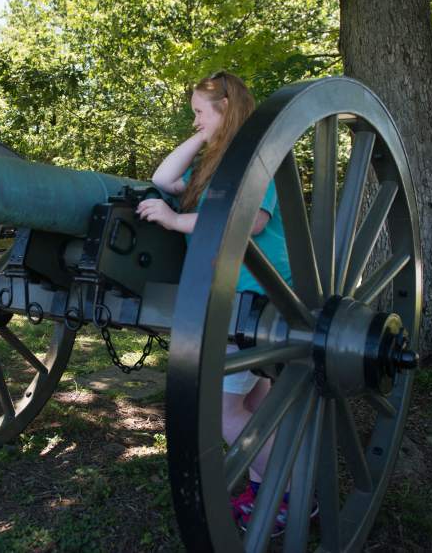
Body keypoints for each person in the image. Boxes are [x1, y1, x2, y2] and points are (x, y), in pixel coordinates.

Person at [136, 72, 304, 535]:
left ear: (227, 107)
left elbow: (248, 222)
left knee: (222, 411)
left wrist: (173, 221)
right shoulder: (214, 166)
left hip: (250, 296)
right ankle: (261, 490)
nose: (194, 120)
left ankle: (288, 494)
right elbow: (162, 178)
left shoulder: (257, 160)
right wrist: (203, 136)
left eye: (200, 112)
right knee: (249, 401)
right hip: (226, 294)